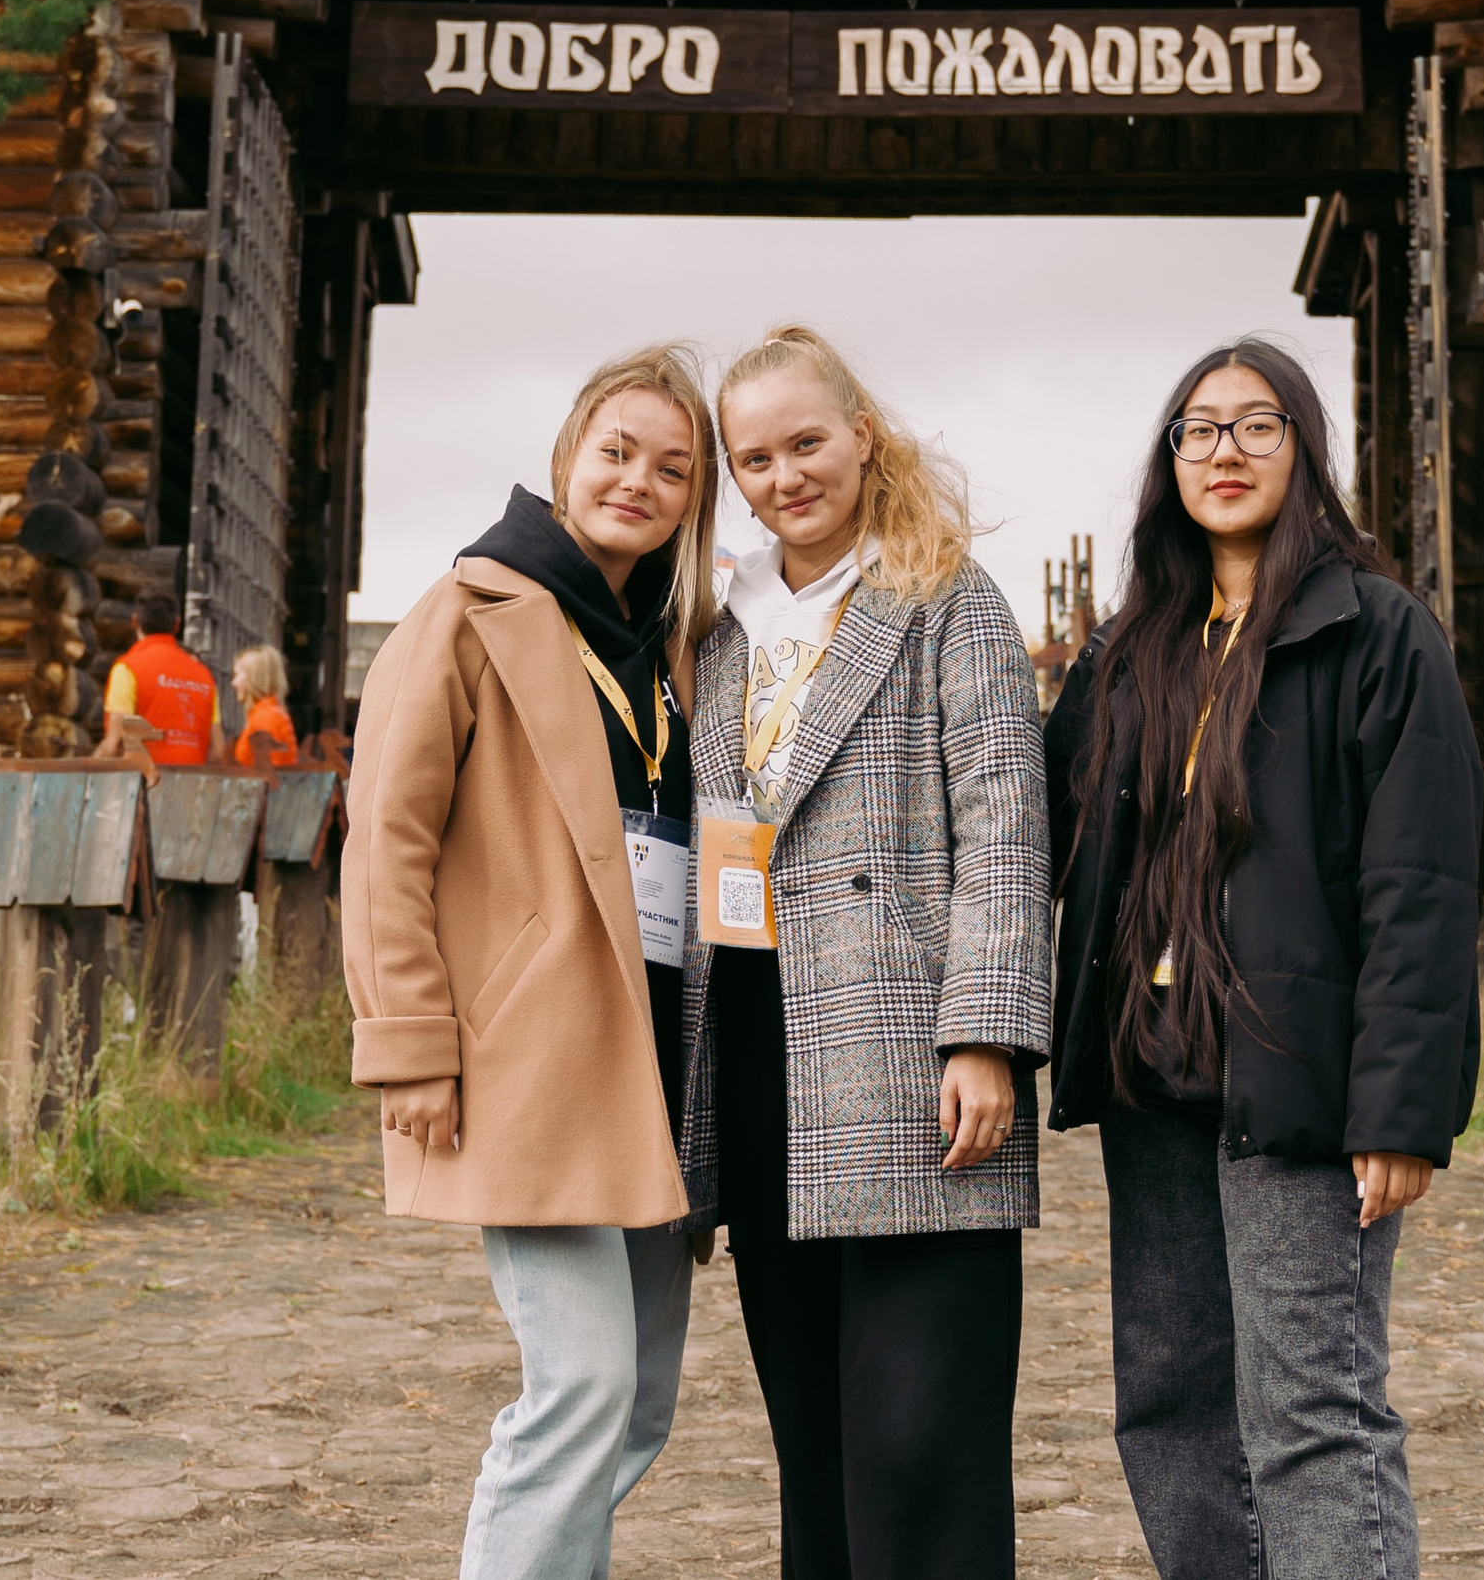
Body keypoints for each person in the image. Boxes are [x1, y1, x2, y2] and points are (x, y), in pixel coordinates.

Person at [1043, 337, 1481, 1580]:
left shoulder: (1378, 634)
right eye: (1197, 430)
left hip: (1299, 1084)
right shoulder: (1133, 651)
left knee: (1310, 1417)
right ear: (1166, 464)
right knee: (1170, 1407)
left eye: (1256, 425)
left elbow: (1423, 890)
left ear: (1304, 449)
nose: (1223, 451)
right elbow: (1038, 814)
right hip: (1152, 1076)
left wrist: (1397, 1111)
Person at [340, 343, 721, 1580]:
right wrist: (409, 1043)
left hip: (657, 1062)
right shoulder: (466, 612)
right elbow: (385, 842)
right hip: (534, 1061)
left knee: (635, 1405)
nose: (638, 482)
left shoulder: (666, 645)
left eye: (673, 467)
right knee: (581, 1386)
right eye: (617, 452)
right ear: (567, 458)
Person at [678, 326, 1050, 1580]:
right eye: (754, 458)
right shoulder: (721, 627)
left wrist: (987, 1034)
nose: (784, 476)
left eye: (806, 443)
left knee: (917, 1444)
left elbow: (1006, 821)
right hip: (759, 1049)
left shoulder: (947, 597)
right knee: (815, 1447)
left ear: (862, 436)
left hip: (909, 1063)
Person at [99, 591, 221, 764]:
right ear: (177, 625)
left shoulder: (128, 668)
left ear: (134, 622)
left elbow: (114, 744)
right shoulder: (204, 675)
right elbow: (217, 752)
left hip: (144, 784)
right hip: (192, 783)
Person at [229, 643, 299, 766]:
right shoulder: (269, 713)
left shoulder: (265, 718)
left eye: (237, 674)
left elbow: (268, 774)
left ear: (254, 678)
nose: (233, 682)